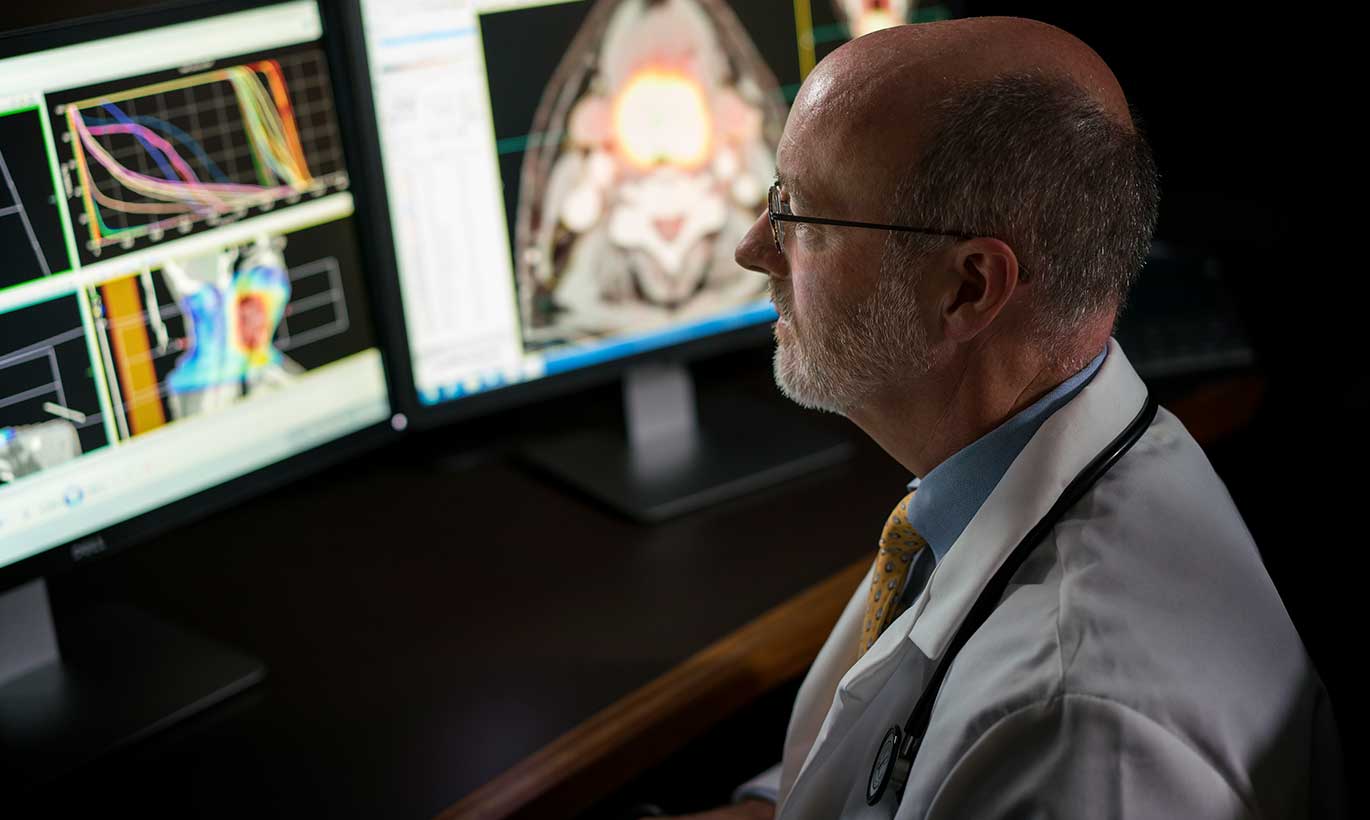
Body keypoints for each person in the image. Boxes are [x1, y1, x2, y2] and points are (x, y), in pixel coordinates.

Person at [654, 15, 1345, 820]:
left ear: (969, 288)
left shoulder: (1073, 734)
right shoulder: (997, 471)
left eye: (800, 216)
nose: (753, 248)